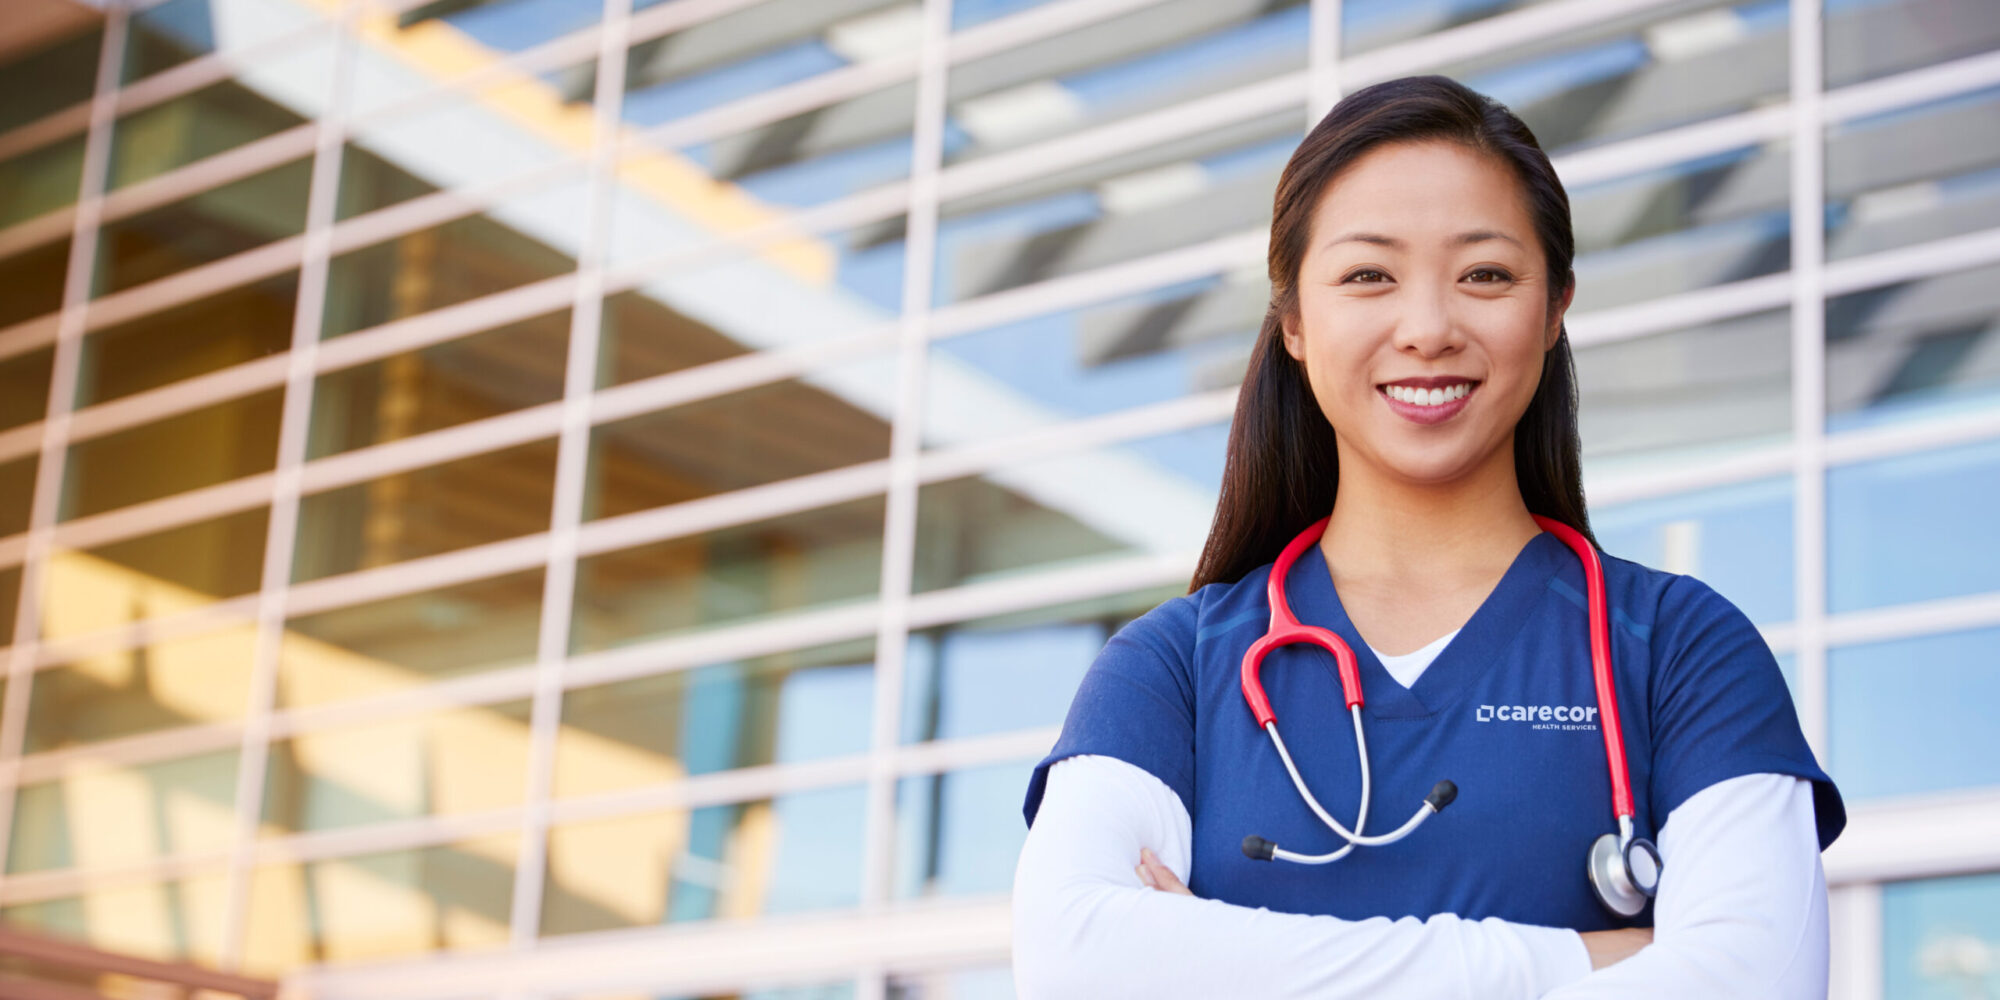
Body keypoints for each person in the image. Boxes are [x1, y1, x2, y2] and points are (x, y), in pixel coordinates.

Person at [1009, 75, 1845, 999]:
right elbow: (1074, 961)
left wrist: (1214, 956)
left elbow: (1755, 982)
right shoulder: (1173, 667)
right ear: (1293, 321)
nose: (1429, 329)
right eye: (1369, 275)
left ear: (1556, 305)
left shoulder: (1681, 651)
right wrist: (1578, 959)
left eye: (1485, 274)